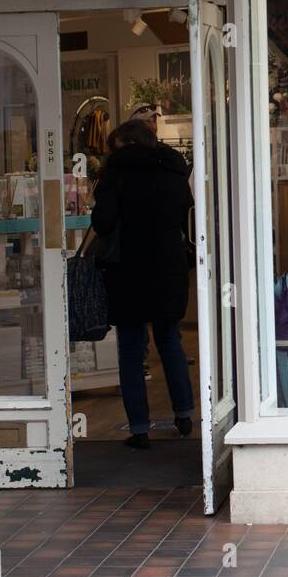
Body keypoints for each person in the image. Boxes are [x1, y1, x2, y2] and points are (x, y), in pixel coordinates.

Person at [91, 119, 194, 449]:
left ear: (124, 144)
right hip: (168, 265)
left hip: (129, 268)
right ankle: (184, 415)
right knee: (170, 340)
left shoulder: (116, 174)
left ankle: (139, 428)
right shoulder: (173, 170)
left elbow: (102, 222)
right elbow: (184, 213)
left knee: (132, 350)